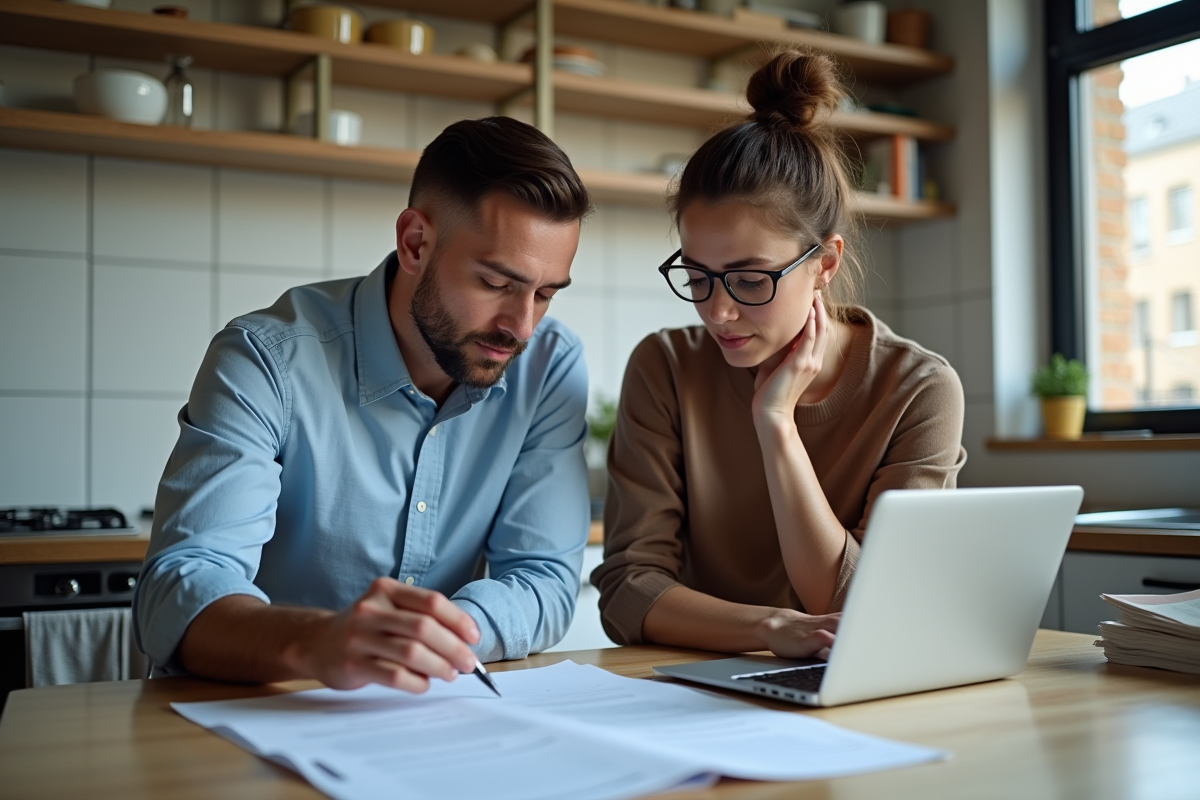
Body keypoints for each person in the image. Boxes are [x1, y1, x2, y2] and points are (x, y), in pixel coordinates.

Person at [135, 116, 593, 693]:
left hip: (430, 711)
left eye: (545, 294)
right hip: (258, 708)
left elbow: (543, 578)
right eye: (497, 284)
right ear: (416, 243)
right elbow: (177, 589)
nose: (522, 326)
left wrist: (433, 639)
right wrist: (317, 641)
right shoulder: (265, 359)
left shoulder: (548, 366)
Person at [591, 51, 967, 659]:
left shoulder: (919, 390)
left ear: (825, 263)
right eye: (698, 277)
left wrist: (777, 424)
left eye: (749, 279)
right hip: (697, 685)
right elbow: (629, 592)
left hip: (856, 688)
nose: (718, 311)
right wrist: (770, 629)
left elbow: (867, 605)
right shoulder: (665, 368)